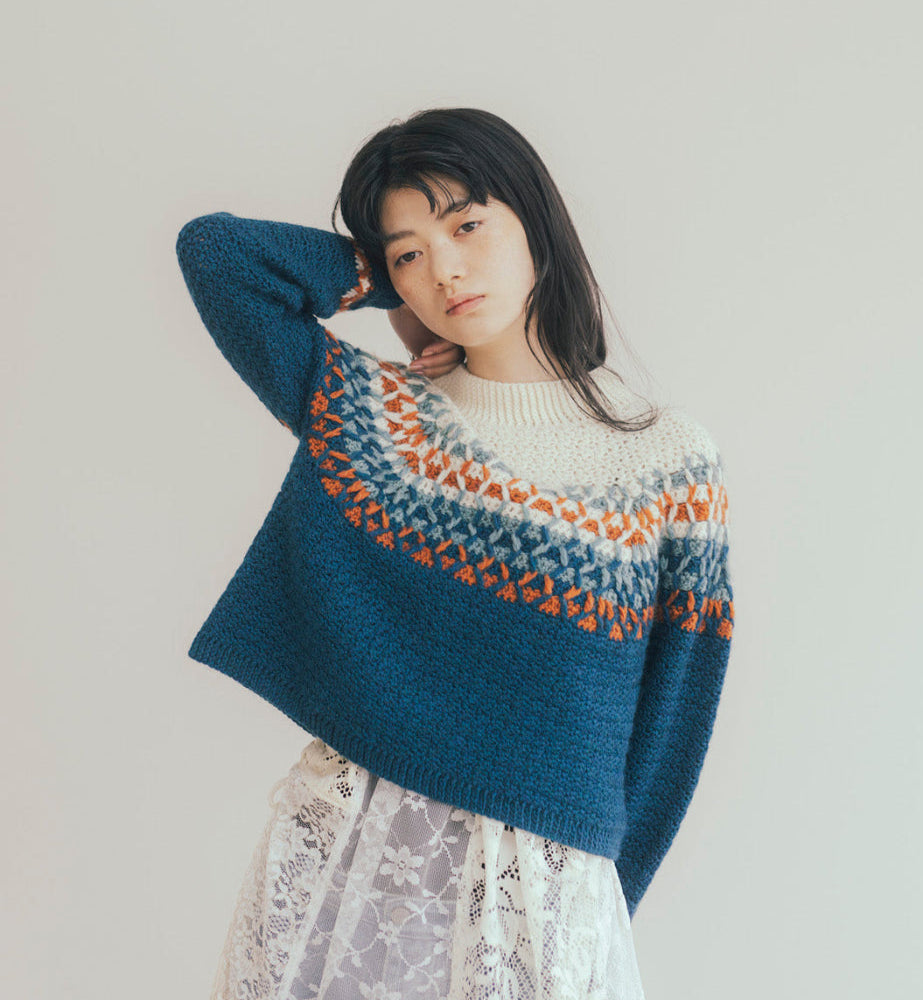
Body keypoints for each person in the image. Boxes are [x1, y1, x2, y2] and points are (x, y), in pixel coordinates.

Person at [175, 107, 735, 1000]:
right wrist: (382, 289)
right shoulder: (376, 418)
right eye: (408, 252)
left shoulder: (665, 460)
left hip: (534, 895)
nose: (445, 268)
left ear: (534, 221)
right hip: (345, 861)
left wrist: (598, 913)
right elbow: (218, 256)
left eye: (468, 225)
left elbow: (671, 727)